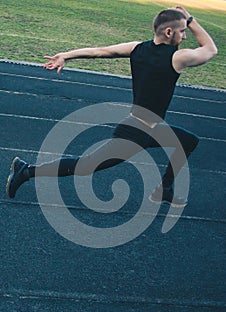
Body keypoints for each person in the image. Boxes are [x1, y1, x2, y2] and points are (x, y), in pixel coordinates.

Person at [6, 6, 217, 207]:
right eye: (182, 31)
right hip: (138, 131)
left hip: (153, 128)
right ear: (169, 32)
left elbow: (100, 51)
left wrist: (66, 55)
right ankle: (26, 171)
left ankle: (165, 189)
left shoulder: (137, 48)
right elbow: (211, 49)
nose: (185, 35)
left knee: (188, 141)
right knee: (86, 166)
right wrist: (190, 19)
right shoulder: (177, 58)